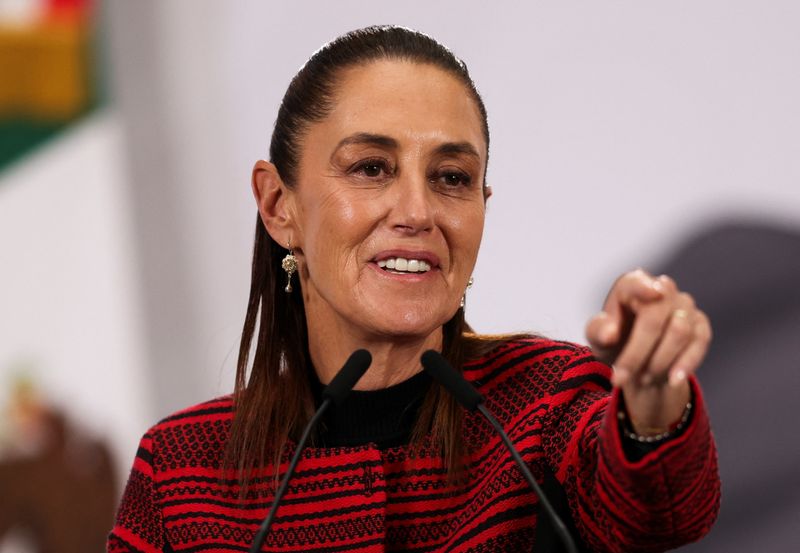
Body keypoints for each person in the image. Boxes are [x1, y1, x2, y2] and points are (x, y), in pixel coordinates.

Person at [108, 26, 720, 552]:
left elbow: (652, 513)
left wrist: (651, 404)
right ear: (278, 204)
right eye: (371, 168)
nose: (417, 212)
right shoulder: (180, 474)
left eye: (451, 178)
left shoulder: (547, 404)